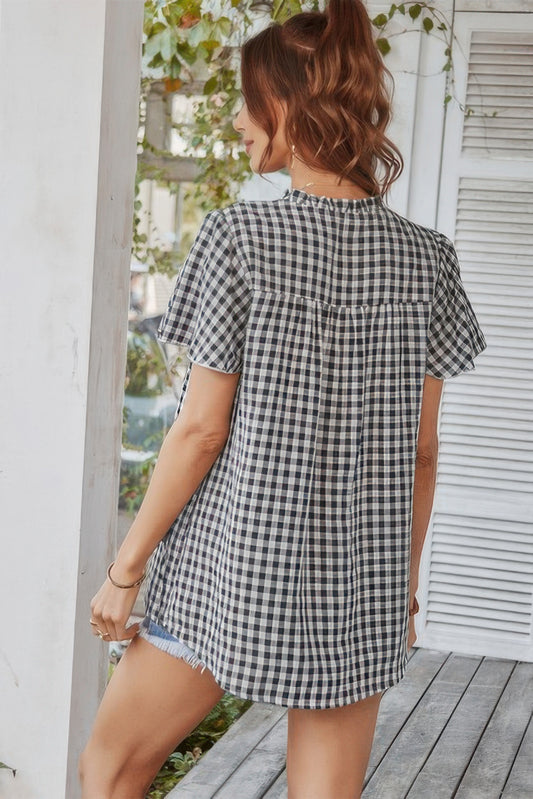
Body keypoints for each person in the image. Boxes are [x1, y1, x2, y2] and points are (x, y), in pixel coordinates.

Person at [79, 1, 487, 797]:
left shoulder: (237, 238)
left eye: (247, 101)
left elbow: (200, 430)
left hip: (228, 567)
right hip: (357, 582)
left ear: (289, 106)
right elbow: (420, 451)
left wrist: (127, 568)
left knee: (111, 768)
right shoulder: (427, 260)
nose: (236, 120)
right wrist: (399, 589)